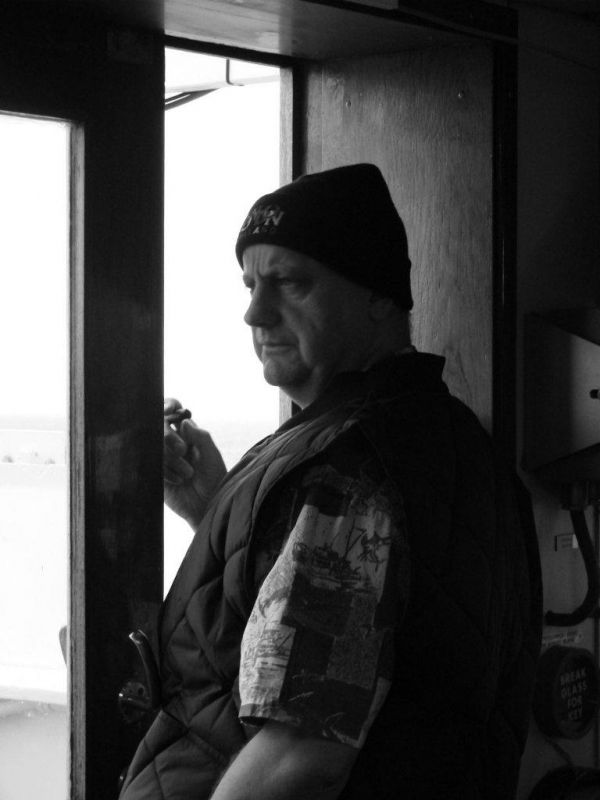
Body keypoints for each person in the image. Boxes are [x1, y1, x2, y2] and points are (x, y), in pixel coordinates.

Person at [119, 164, 542, 800]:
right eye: (250, 284)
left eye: (289, 282)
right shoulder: (440, 439)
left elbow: (300, 758)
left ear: (378, 296)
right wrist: (210, 505)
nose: (254, 312)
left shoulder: (352, 472)